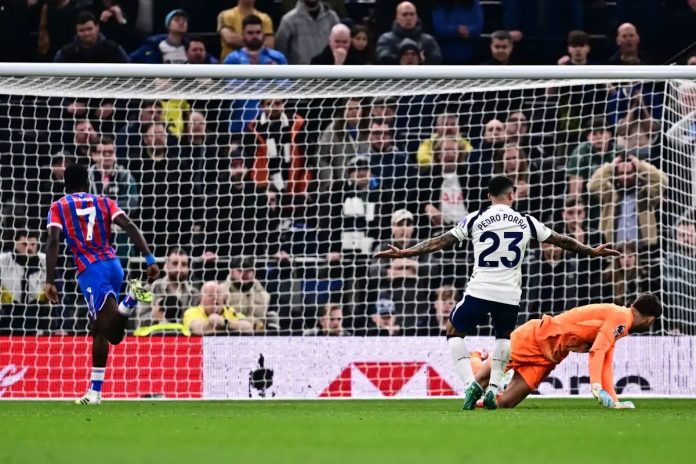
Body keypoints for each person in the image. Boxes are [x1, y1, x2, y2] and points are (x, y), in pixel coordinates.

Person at [374, 175, 620, 409]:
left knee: (453, 331)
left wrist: (406, 252)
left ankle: (470, 384)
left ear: (487, 196)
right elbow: (561, 240)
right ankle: (492, 387)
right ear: (512, 195)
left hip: (480, 289)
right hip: (509, 294)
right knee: (503, 339)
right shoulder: (526, 220)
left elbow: (440, 241)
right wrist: (591, 251)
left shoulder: (476, 218)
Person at [44, 164, 160, 405]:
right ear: (87, 183)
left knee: (112, 335)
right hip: (114, 265)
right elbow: (129, 225)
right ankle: (94, 392)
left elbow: (53, 241)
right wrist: (149, 258)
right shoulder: (104, 201)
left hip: (91, 271)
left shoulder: (58, 206)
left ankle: (131, 298)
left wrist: (50, 280)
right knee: (97, 328)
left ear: (65, 185)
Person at [472, 294, 662, 409]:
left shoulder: (621, 323)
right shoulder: (621, 317)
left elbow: (606, 359)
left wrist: (614, 399)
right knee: (481, 379)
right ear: (650, 320)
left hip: (548, 358)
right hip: (536, 338)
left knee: (505, 403)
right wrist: (596, 387)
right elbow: (597, 351)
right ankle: (476, 357)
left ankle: (485, 396)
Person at [376, 1, 442, 65]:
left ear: (417, 17)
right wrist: (404, 59)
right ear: (397, 18)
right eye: (404, 14)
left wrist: (420, 60)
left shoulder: (428, 40)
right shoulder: (386, 39)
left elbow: (436, 59)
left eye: (412, 14)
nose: (409, 18)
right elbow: (383, 57)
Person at [275, 0, 339, 65]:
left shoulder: (331, 17)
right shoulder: (289, 20)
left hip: (327, 68)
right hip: (300, 69)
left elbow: (340, 43)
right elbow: (280, 49)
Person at [54, 11, 129, 63]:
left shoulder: (114, 49)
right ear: (76, 31)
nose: (86, 33)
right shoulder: (65, 53)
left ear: (97, 27)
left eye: (89, 29)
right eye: (81, 30)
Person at [182, 281, 254, 335]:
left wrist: (225, 323)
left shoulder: (230, 311)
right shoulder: (192, 311)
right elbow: (197, 329)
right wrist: (212, 323)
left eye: (219, 294)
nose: (215, 297)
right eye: (210, 295)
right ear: (201, 299)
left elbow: (248, 327)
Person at [431, 0, 483, 65]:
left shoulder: (474, 4)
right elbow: (439, 28)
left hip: (471, 55)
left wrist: (468, 31)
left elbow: (478, 27)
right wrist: (456, 30)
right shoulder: (440, 5)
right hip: (446, 56)